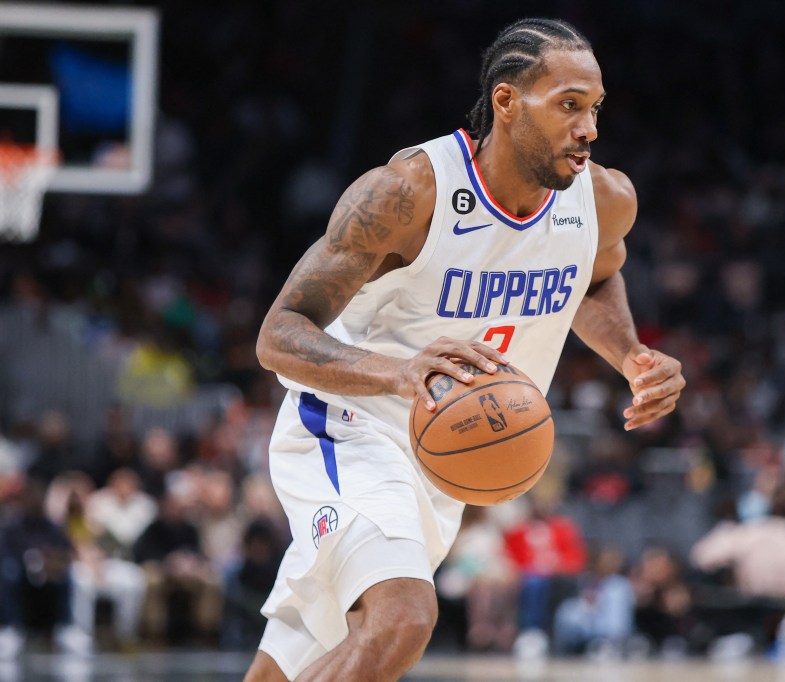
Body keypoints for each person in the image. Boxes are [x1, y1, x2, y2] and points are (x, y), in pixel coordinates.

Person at [243, 17, 686, 682]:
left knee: (295, 661)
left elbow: (594, 279)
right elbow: (279, 335)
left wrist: (631, 356)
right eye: (569, 105)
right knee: (402, 620)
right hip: (349, 427)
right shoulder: (407, 193)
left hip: (444, 457)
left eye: (595, 108)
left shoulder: (604, 200)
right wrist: (399, 373)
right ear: (506, 101)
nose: (589, 128)